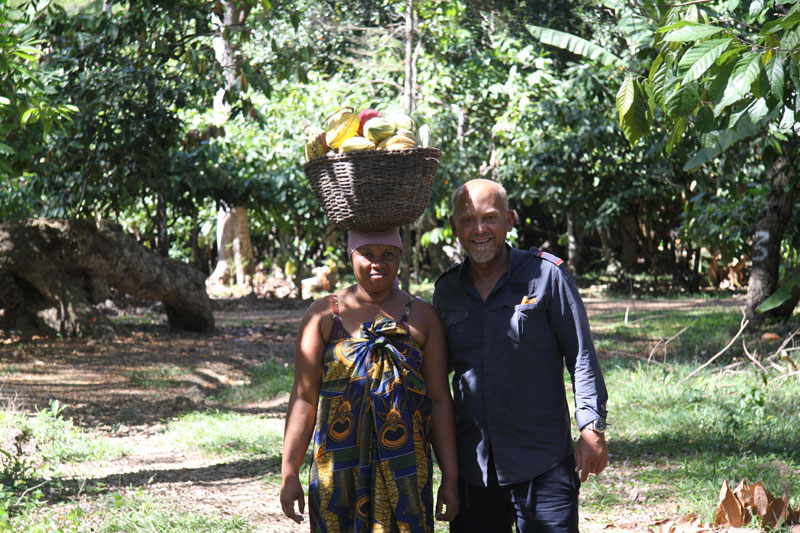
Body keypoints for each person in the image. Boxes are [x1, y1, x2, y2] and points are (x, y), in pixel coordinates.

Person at [432, 179, 608, 532]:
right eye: (467, 220)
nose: (479, 229)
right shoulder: (446, 290)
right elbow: (437, 385)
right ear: (454, 226)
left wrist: (592, 427)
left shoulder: (547, 276)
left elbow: (581, 356)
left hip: (542, 462)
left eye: (490, 218)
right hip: (474, 469)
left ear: (509, 221)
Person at [280, 228, 459, 532]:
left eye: (388, 254)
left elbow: (440, 400)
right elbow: (303, 398)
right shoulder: (324, 315)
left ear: (400, 257)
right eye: (367, 254)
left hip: (406, 473)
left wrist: (450, 479)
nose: (378, 263)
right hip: (336, 472)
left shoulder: (422, 316)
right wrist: (289, 472)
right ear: (351, 257)